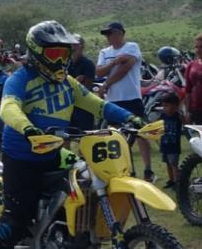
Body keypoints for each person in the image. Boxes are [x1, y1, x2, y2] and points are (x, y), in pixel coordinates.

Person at [0, 20, 141, 249]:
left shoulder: (67, 83)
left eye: (65, 53)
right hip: (22, 159)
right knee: (16, 220)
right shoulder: (21, 78)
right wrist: (28, 130)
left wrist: (129, 119)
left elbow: (96, 104)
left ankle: (72, 238)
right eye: (54, 54)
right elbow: (8, 107)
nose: (61, 60)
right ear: (37, 53)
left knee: (87, 182)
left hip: (56, 154)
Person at [94, 21, 154, 181]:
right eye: (106, 34)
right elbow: (99, 71)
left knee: (141, 133)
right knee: (115, 135)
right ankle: (123, 169)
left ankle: (148, 170)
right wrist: (114, 62)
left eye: (110, 33)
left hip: (131, 97)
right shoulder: (104, 52)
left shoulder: (131, 47)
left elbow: (125, 69)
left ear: (120, 33)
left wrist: (106, 83)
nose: (108, 37)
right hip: (113, 99)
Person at [68, 34, 98, 131]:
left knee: (85, 136)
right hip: (69, 105)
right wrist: (76, 81)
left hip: (84, 106)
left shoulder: (88, 63)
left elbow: (86, 87)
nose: (73, 46)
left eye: (75, 44)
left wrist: (72, 83)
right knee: (65, 135)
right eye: (71, 44)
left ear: (81, 46)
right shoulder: (67, 63)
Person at [158, 92, 183, 188]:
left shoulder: (177, 116)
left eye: (166, 106)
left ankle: (178, 182)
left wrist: (183, 116)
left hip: (174, 145)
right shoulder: (162, 116)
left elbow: (186, 123)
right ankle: (171, 180)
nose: (164, 108)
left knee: (173, 164)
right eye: (163, 106)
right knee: (167, 163)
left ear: (175, 106)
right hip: (164, 143)